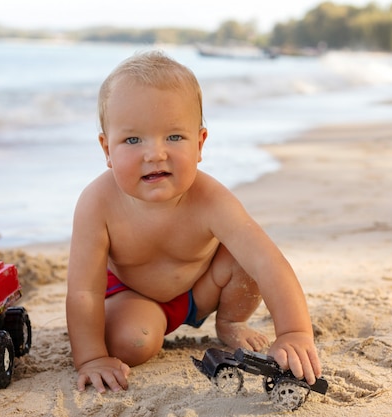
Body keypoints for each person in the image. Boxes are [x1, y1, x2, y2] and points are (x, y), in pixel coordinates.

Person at [66, 50, 322, 393]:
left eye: (173, 137)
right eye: (132, 139)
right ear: (107, 149)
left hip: (202, 289)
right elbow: (84, 291)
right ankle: (135, 329)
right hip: (133, 295)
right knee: (132, 343)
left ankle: (230, 321)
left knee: (247, 259)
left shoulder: (210, 198)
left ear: (199, 144)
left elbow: (268, 262)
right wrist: (91, 357)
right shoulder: (97, 204)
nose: (155, 153)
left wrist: (294, 333)